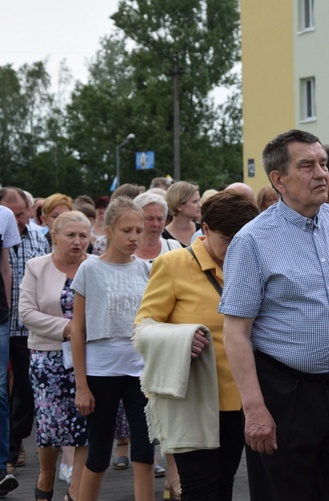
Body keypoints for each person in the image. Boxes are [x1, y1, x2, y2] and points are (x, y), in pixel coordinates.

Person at [221, 129, 329, 501]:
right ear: (278, 180)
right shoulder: (252, 240)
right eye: (307, 165)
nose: (321, 173)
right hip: (285, 395)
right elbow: (236, 333)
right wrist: (255, 409)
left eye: (322, 163)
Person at [135, 191, 259, 500]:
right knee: (200, 490)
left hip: (243, 400)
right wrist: (182, 338)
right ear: (204, 229)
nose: (236, 249)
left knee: (224, 485)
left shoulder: (253, 261)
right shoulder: (173, 264)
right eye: (229, 240)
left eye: (244, 239)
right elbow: (142, 328)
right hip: (195, 400)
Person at [70, 197, 154, 501]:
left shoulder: (146, 269)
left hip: (140, 371)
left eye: (138, 230)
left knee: (144, 451)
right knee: (99, 452)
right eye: (126, 230)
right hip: (100, 371)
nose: (134, 237)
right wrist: (82, 386)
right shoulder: (89, 270)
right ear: (108, 230)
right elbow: (77, 330)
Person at [19, 211, 91, 501]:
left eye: (83, 236)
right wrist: (68, 329)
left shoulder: (95, 266)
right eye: (70, 235)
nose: (77, 241)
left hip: (89, 358)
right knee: (50, 425)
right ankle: (46, 476)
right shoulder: (37, 266)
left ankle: (75, 489)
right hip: (48, 357)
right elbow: (26, 313)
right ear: (54, 237)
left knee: (85, 423)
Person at [0, 188, 50, 476]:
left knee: (26, 389)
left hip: (28, 326)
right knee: (3, 391)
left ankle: (15, 441)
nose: (18, 219)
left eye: (22, 213)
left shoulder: (39, 238)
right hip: (3, 319)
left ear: (30, 210)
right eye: (13, 214)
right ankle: (7, 447)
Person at [0, 204, 21, 495]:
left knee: (0, 389)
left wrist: (6, 309)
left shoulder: (4, 215)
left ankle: (2, 465)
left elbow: (5, 267)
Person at [132, 193, 181, 263]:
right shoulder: (126, 250)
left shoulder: (174, 247)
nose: (156, 224)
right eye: (149, 219)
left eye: (160, 219)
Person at [163, 181, 201, 247]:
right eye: (195, 202)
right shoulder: (163, 237)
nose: (200, 205)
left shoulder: (203, 230)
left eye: (199, 200)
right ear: (179, 206)